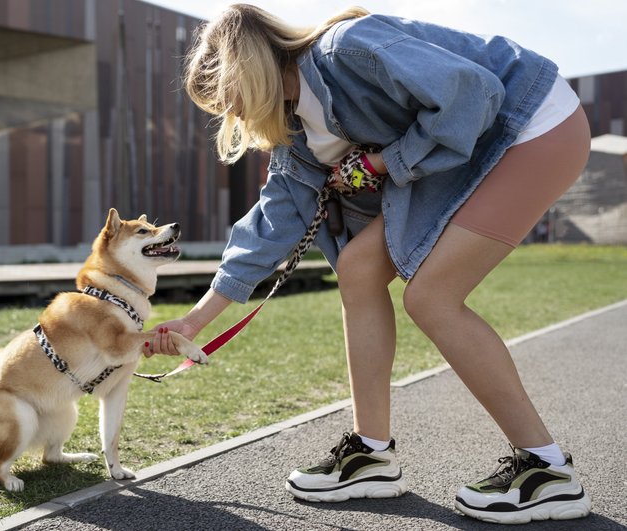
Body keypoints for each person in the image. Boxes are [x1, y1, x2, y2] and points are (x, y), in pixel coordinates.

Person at [145, 3, 592, 524]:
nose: (232, 117)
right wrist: (193, 321)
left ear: (246, 67)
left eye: (228, 99)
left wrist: (382, 162)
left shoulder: (346, 50)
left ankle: (547, 470)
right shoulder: (295, 133)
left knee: (431, 297)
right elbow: (270, 225)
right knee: (357, 267)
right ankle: (371, 455)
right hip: (477, 143)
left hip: (532, 122)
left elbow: (473, 95)